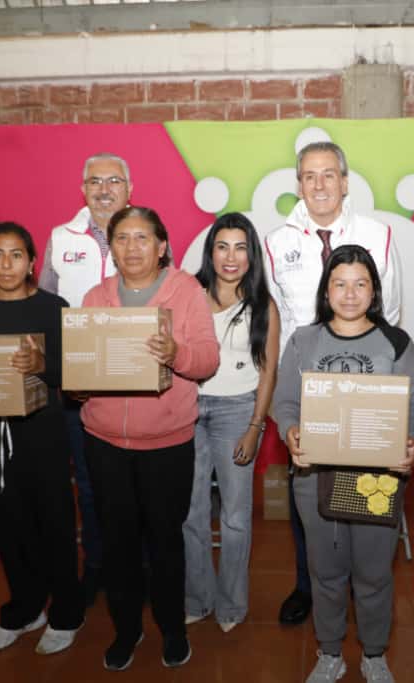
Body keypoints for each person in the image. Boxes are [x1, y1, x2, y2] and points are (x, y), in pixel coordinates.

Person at [271, 244, 414, 683]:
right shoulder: (303, 341)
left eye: (361, 284)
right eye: (339, 283)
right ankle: (329, 653)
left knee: (374, 574)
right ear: (326, 290)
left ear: (374, 291)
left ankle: (374, 655)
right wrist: (290, 431)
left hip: (376, 480)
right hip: (315, 476)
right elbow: (284, 402)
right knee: (325, 572)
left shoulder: (396, 343)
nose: (349, 293)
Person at [264, 140, 402, 626]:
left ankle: (364, 585)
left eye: (329, 175)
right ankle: (311, 584)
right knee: (308, 489)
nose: (319, 184)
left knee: (365, 485)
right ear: (298, 184)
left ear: (345, 182)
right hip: (306, 389)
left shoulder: (378, 235)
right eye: (309, 176)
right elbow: (279, 320)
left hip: (366, 382)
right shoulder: (276, 242)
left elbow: (391, 312)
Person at [79, 206, 219, 671]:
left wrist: (176, 353)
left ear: (162, 247)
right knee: (117, 542)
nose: (132, 247)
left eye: (142, 238)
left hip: (167, 444)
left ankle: (173, 629)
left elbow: (208, 360)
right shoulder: (96, 297)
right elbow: (79, 367)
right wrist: (76, 383)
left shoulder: (187, 290)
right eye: (122, 238)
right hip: (105, 443)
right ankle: (127, 630)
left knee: (165, 542)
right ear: (111, 247)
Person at [0, 222, 83, 655]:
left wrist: (40, 363)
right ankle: (26, 608)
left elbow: (74, 374)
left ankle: (66, 613)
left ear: (31, 263)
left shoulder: (54, 307)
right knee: (7, 527)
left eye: (16, 255)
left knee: (55, 526)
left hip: (42, 435)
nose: (6, 264)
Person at [39, 152, 133, 607]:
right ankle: (97, 565)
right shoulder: (61, 238)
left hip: (134, 382)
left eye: (114, 181)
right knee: (91, 485)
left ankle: (137, 567)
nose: (104, 189)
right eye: (95, 181)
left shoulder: (146, 234)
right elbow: (42, 304)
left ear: (129, 189)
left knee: (134, 484)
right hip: (79, 387)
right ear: (83, 189)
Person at [182, 212, 280, 633]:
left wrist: (256, 426)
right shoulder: (188, 294)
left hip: (237, 411)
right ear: (211, 252)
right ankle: (198, 598)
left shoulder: (263, 305)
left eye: (240, 248)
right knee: (191, 512)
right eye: (222, 246)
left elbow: (269, 370)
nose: (230, 257)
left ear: (251, 255)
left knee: (236, 516)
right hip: (188, 409)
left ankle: (232, 604)